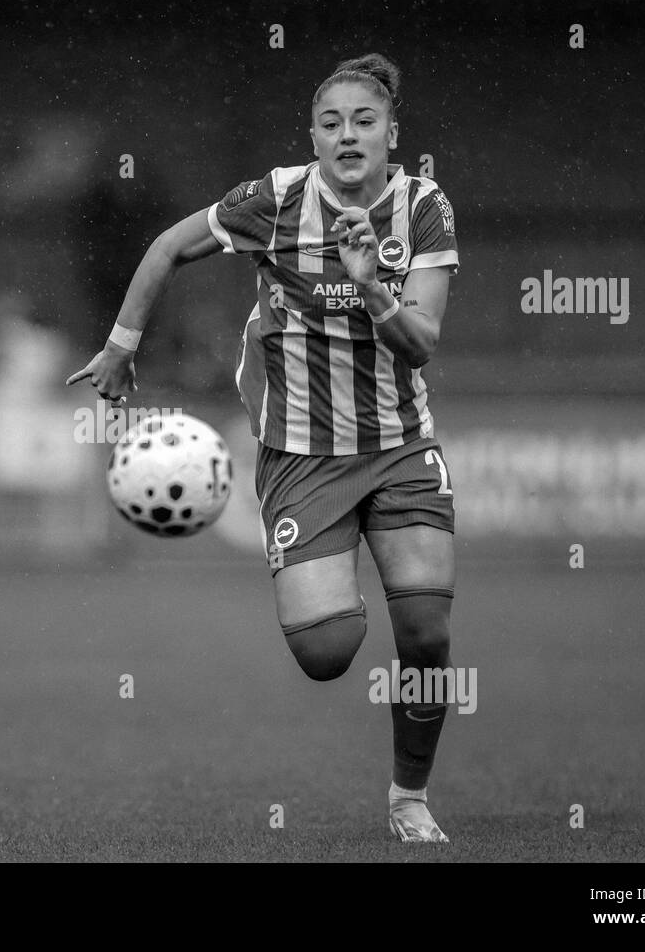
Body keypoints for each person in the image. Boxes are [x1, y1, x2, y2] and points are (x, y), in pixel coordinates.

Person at [67, 54, 460, 843]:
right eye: (330, 123)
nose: (347, 136)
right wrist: (120, 343)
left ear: (392, 133)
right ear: (313, 136)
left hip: (398, 443)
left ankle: (409, 798)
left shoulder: (423, 206)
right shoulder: (273, 201)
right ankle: (326, 553)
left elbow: (419, 344)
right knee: (326, 650)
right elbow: (167, 247)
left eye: (364, 121)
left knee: (423, 629)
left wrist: (370, 282)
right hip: (300, 454)